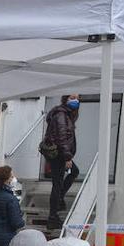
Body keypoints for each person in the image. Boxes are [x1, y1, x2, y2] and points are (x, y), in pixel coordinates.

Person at [44, 94, 81, 230]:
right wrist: (67, 157)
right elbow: (61, 137)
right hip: (59, 155)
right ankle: (52, 217)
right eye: (72, 97)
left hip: (59, 154)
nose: (76, 100)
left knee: (65, 178)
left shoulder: (66, 114)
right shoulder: (61, 115)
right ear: (65, 99)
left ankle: (58, 201)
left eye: (77, 98)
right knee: (58, 184)